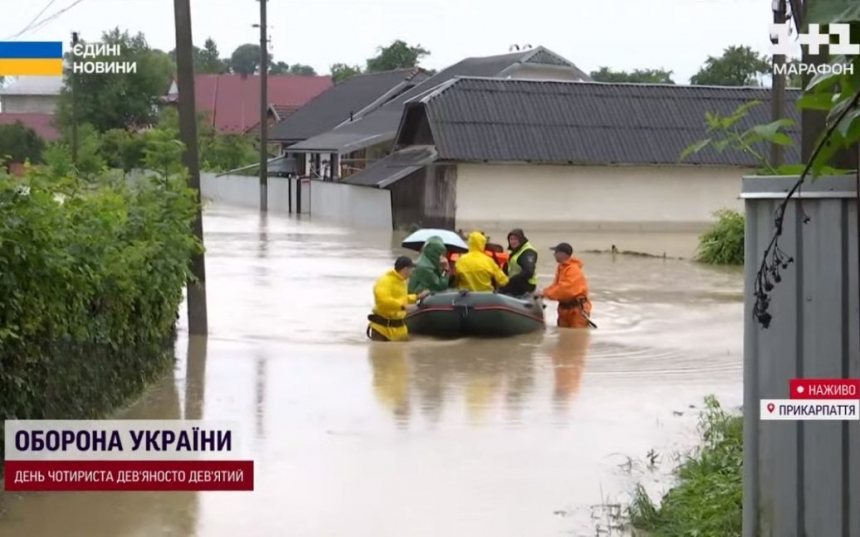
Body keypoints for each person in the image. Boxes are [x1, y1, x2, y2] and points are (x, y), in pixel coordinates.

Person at [367, 256, 430, 341]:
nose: (412, 272)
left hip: (399, 328)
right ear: (405, 269)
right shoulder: (385, 281)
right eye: (411, 269)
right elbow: (383, 300)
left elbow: (401, 298)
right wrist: (403, 306)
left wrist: (417, 297)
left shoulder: (402, 281)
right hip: (382, 330)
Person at [534, 242, 594, 329]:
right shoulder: (562, 268)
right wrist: (543, 292)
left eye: (556, 252)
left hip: (576, 310)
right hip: (564, 309)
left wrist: (545, 293)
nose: (554, 255)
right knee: (563, 337)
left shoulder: (573, 269)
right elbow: (556, 286)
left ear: (563, 254)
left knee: (578, 338)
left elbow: (565, 289)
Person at [498, 228, 538, 297]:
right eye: (511, 239)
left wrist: (511, 281)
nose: (513, 241)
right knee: (498, 289)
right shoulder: (515, 252)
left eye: (515, 239)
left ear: (521, 239)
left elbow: (529, 272)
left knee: (500, 292)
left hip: (526, 285)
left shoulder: (528, 252)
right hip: (515, 283)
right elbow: (507, 269)